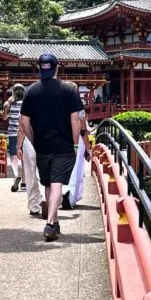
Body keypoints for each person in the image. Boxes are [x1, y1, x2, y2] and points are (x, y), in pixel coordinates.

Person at [18, 54, 84, 241]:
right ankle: (49, 224)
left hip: (42, 145)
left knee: (48, 183)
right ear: (57, 67)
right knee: (57, 184)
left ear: (40, 68)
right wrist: (74, 143)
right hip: (63, 145)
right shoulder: (69, 89)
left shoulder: (31, 91)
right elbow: (75, 120)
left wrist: (34, 140)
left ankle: (53, 222)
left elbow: (23, 122)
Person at [61, 81, 92, 210]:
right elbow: (83, 129)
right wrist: (87, 149)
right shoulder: (78, 107)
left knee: (60, 168)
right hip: (76, 140)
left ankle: (59, 194)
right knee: (75, 169)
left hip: (60, 139)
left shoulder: (58, 104)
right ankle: (70, 195)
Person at [3, 84, 25, 191]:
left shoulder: (9, 104)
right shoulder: (26, 104)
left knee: (13, 157)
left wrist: (7, 106)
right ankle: (24, 183)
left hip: (12, 133)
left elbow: (4, 117)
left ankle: (16, 175)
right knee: (24, 158)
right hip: (24, 133)